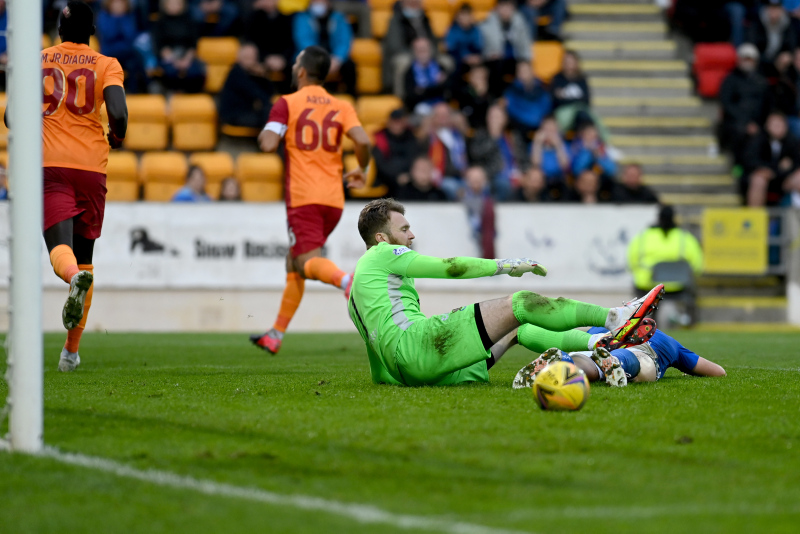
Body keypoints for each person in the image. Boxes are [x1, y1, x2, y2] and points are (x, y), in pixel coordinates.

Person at [346, 198, 665, 387]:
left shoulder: (355, 294)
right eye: (403, 229)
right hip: (421, 348)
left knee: (518, 328)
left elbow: (377, 356)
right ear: (381, 238)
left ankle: (598, 342)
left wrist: (398, 380)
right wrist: (502, 265)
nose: (412, 234)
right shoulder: (383, 253)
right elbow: (449, 266)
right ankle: (616, 317)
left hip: (413, 372)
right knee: (522, 302)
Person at [8, 2, 127, 372]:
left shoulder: (37, 59)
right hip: (92, 169)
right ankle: (70, 353)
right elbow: (119, 114)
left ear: (59, 30)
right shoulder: (108, 64)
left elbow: (13, 116)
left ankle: (73, 278)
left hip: (51, 166)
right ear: (93, 30)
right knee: (86, 254)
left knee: (62, 250)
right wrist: (117, 135)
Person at [251, 46, 371, 354]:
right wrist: (362, 169)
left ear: (301, 70)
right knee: (295, 262)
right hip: (333, 199)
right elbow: (362, 140)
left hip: (303, 198)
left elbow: (267, 144)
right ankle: (275, 334)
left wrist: (269, 129)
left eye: (295, 63)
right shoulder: (341, 106)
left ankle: (348, 282)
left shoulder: (287, 103)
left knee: (305, 261)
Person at [512, 326, 726, 390]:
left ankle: (565, 362)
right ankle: (618, 364)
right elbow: (718, 372)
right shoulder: (670, 343)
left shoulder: (608, 327)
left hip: (602, 342)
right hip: (644, 354)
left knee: (592, 361)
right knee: (639, 363)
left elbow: (575, 331)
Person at [627, 205, 703, 327]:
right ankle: (691, 325)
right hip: (678, 287)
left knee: (641, 290)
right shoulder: (685, 238)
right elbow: (697, 267)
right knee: (693, 292)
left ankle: (642, 325)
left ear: (658, 218)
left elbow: (631, 263)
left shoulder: (643, 237)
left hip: (649, 287)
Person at [718, 44, 770, 160]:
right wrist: (745, 122)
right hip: (735, 122)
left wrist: (758, 123)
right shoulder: (730, 80)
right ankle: (738, 167)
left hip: (758, 122)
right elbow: (726, 103)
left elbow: (767, 104)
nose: (747, 62)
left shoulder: (762, 81)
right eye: (745, 59)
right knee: (740, 134)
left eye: (750, 59)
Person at [293, 0, 356, 96]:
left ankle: (351, 97)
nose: (318, 3)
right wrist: (320, 59)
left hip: (334, 57)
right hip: (312, 56)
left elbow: (344, 40)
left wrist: (338, 58)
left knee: (350, 66)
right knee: (297, 65)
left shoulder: (339, 17)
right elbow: (303, 40)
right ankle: (300, 97)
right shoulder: (302, 17)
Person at [467, 104, 526, 201]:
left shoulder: (513, 137)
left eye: (498, 117)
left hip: (517, 174)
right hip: (493, 175)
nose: (495, 120)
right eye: (492, 117)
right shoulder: (481, 135)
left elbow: (524, 158)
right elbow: (475, 154)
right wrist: (494, 138)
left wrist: (524, 173)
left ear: (505, 119)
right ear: (487, 119)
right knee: (503, 184)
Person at [742, 110, 800, 206]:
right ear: (767, 125)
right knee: (758, 179)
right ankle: (756, 218)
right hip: (764, 178)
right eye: (774, 124)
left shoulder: (792, 140)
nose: (777, 127)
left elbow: (796, 162)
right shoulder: (758, 139)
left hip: (784, 178)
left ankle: (795, 219)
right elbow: (750, 160)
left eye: (780, 124)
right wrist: (771, 169)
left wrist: (783, 173)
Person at [382, 0, 437, 94]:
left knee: (446, 62)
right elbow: (394, 45)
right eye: (411, 3)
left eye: (417, 3)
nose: (414, 6)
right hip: (406, 53)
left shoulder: (425, 20)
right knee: (402, 63)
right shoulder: (396, 20)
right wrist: (417, 52)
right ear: (403, 3)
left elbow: (433, 42)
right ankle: (401, 98)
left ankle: (441, 97)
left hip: (426, 54)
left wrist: (428, 53)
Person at [152, 0, 206, 93]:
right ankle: (171, 96)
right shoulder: (160, 22)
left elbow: (193, 44)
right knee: (170, 72)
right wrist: (175, 61)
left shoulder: (190, 21)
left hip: (187, 56)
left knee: (196, 72)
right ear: (165, 5)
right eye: (171, 3)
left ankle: (191, 96)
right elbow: (160, 46)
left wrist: (186, 60)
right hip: (169, 57)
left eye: (177, 3)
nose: (174, 6)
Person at [481, 0, 532, 97]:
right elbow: (483, 47)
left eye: (508, 7)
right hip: (495, 59)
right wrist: (490, 54)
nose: (506, 10)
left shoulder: (519, 22)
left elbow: (525, 44)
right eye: (503, 6)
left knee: (524, 68)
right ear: (497, 8)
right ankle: (496, 97)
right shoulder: (487, 24)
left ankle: (523, 97)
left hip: (514, 59)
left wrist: (526, 61)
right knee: (497, 65)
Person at [218, 43, 274, 129]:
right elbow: (259, 95)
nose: (251, 61)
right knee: (269, 114)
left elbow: (270, 93)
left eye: (253, 58)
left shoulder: (251, 73)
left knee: (270, 111)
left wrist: (264, 76)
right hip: (233, 115)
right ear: (239, 58)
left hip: (246, 112)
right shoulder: (236, 73)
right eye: (247, 57)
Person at [96, 0, 146, 93]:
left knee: (134, 62)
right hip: (109, 53)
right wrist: (117, 19)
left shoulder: (129, 16)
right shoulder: (103, 16)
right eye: (116, 4)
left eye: (121, 4)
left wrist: (121, 20)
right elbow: (109, 34)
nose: (118, 6)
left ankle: (135, 92)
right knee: (134, 56)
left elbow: (130, 35)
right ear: (109, 5)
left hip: (127, 53)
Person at [244, 0, 293, 92]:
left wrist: (282, 59)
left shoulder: (286, 18)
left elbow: (290, 44)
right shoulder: (253, 18)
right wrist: (266, 58)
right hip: (261, 59)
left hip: (283, 61)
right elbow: (251, 42)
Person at [372, 108, 422, 198]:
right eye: (394, 122)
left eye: (400, 122)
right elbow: (380, 163)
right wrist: (397, 176)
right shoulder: (380, 137)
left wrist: (409, 175)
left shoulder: (411, 136)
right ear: (389, 122)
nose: (397, 125)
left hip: (408, 176)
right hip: (385, 178)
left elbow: (414, 157)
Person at [503, 61, 552, 136]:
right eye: (519, 71)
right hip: (518, 128)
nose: (522, 73)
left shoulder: (543, 88)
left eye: (525, 70)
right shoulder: (511, 91)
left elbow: (544, 109)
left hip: (540, 127)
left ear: (532, 71)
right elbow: (511, 109)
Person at [403, 37, 449, 113]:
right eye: (419, 50)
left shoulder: (440, 67)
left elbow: (448, 88)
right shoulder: (409, 72)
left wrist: (423, 90)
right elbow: (411, 97)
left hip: (441, 106)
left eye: (424, 49)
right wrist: (437, 87)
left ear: (430, 50)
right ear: (414, 51)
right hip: (420, 109)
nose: (422, 52)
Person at [748, 0, 797, 72]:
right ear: (766, 9)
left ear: (781, 10)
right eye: (771, 8)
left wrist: (788, 55)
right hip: (760, 60)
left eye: (776, 8)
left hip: (779, 62)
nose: (773, 12)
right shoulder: (757, 22)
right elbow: (751, 44)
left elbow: (792, 45)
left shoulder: (788, 24)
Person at [462, 166, 496, 258]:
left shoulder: (491, 199)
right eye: (473, 179)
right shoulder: (461, 196)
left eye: (478, 179)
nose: (476, 181)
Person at [530, 115, 570, 186]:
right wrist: (537, 143)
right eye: (546, 129)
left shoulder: (564, 146)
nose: (549, 134)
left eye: (552, 130)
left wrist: (558, 146)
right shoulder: (535, 146)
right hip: (541, 182)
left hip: (559, 181)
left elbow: (564, 166)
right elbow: (536, 165)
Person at [445, 3, 484, 71]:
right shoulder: (453, 30)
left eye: (467, 15)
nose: (465, 18)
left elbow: (478, 48)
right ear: (458, 17)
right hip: (458, 60)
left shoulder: (476, 30)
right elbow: (451, 50)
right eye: (463, 15)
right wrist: (464, 58)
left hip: (472, 60)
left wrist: (474, 57)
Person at [455, 63, 492, 130]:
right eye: (477, 77)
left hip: (487, 133)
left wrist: (482, 95)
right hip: (467, 133)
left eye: (483, 77)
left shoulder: (492, 97)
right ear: (470, 78)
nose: (480, 80)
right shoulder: (462, 94)